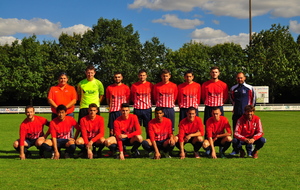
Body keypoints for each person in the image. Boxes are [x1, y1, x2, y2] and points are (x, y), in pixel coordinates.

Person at [106, 72, 130, 137]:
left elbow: (127, 100)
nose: (117, 78)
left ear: (122, 78)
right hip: (113, 111)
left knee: (123, 129)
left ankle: (123, 144)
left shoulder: (126, 87)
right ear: (114, 78)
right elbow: (108, 100)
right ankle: (112, 144)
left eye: (119, 77)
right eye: (116, 77)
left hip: (122, 112)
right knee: (112, 130)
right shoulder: (109, 88)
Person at [131, 69, 153, 139]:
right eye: (140, 75)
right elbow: (132, 96)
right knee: (136, 128)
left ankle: (148, 144)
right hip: (137, 109)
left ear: (146, 76)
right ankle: (136, 145)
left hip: (147, 109)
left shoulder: (150, 85)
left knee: (148, 127)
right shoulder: (134, 85)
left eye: (143, 75)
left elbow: (153, 96)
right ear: (138, 76)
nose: (142, 77)